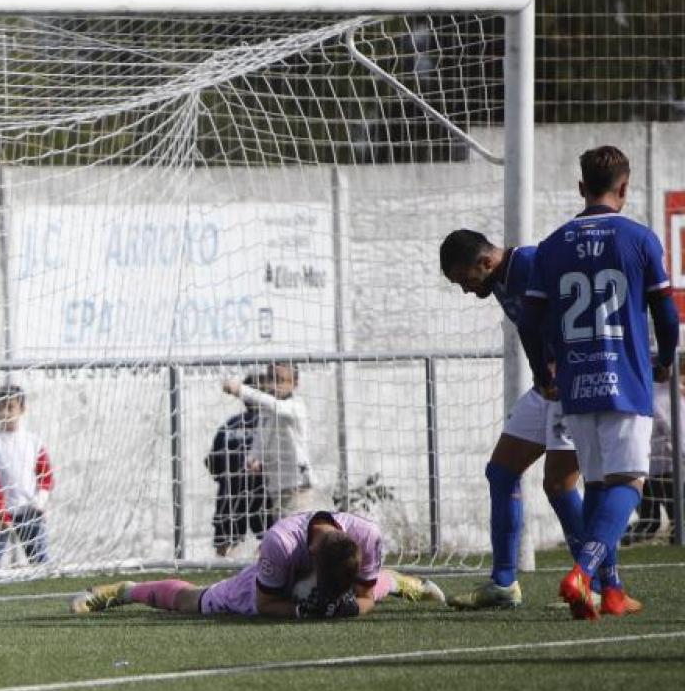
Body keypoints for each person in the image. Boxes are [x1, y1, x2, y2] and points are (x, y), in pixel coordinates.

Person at [519, 145, 678, 619]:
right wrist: (666, 358)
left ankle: (610, 591)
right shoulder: (639, 238)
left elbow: (529, 320)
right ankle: (582, 573)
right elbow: (665, 314)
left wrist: (540, 370)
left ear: (581, 187)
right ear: (624, 188)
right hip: (625, 378)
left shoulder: (551, 245)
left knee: (597, 485)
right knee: (630, 482)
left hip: (574, 382)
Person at [439, 229, 588, 610]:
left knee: (558, 484)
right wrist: (541, 373)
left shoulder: (533, 264)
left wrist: (563, 363)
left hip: (573, 384)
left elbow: (573, 310)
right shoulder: (504, 279)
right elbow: (531, 328)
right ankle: (504, 583)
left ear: (485, 263)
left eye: (465, 280)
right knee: (502, 472)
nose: (466, 290)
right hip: (547, 388)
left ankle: (596, 581)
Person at [69, 510, 444, 619]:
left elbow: (363, 594)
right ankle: (124, 591)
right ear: (311, 553)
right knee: (195, 602)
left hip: (330, 576)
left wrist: (347, 607)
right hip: (275, 585)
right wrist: (300, 611)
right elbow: (266, 605)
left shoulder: (367, 536)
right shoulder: (280, 544)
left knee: (374, 591)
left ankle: (400, 582)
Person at [221, 363, 315, 525]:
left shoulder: (295, 406)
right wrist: (253, 458)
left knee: (295, 538)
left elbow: (275, 406)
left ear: (295, 384)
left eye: (280, 380)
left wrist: (242, 390)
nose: (274, 385)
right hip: (275, 488)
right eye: (271, 379)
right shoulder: (267, 411)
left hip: (298, 488)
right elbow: (261, 437)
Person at [0, 384, 54, 569]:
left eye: (11, 407)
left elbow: (46, 476)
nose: (5, 412)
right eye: (0, 407)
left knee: (40, 561)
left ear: (22, 409)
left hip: (29, 510)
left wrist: (40, 502)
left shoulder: (33, 442)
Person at [206, 371, 271, 557]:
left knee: (226, 545)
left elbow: (212, 464)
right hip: (264, 494)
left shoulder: (229, 425)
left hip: (231, 495)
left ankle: (223, 572)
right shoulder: (272, 424)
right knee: (270, 540)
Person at [626, 377, 681, 542]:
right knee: (663, 514)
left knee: (667, 514)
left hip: (654, 465)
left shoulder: (661, 395)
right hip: (659, 467)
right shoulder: (659, 395)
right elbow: (672, 429)